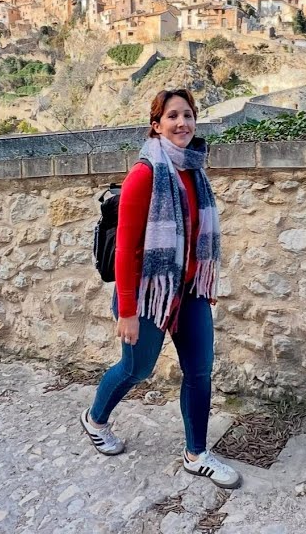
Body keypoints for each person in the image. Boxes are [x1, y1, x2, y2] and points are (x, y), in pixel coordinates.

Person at [79, 88, 241, 489]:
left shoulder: (194, 170)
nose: (182, 123)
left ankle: (196, 453)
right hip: (148, 294)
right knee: (137, 369)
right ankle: (95, 419)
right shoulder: (144, 173)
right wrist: (129, 311)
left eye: (188, 115)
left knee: (200, 371)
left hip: (189, 292)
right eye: (172, 116)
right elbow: (128, 249)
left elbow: (199, 235)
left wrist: (204, 280)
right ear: (156, 125)